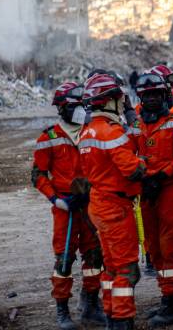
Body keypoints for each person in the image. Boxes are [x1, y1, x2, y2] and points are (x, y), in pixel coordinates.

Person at [32, 82, 108, 329]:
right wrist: (56, 200)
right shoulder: (49, 137)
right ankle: (62, 309)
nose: (79, 110)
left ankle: (91, 304)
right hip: (65, 206)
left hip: (90, 203)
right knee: (64, 259)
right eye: (74, 106)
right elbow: (38, 175)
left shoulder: (91, 132)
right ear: (62, 108)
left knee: (94, 255)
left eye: (81, 105)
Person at [78, 73, 147, 330]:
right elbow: (132, 169)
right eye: (118, 99)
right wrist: (143, 163)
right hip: (115, 208)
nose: (121, 103)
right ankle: (122, 320)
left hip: (99, 203)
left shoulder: (87, 131)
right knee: (127, 270)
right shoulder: (111, 131)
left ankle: (110, 317)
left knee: (111, 268)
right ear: (108, 101)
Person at [128, 72, 173, 327]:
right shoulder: (136, 124)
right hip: (146, 191)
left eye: (155, 94)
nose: (151, 99)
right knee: (153, 246)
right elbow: (129, 153)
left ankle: (171, 300)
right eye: (146, 95)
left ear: (164, 95)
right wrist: (142, 177)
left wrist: (160, 176)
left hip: (169, 189)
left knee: (169, 246)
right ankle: (169, 296)